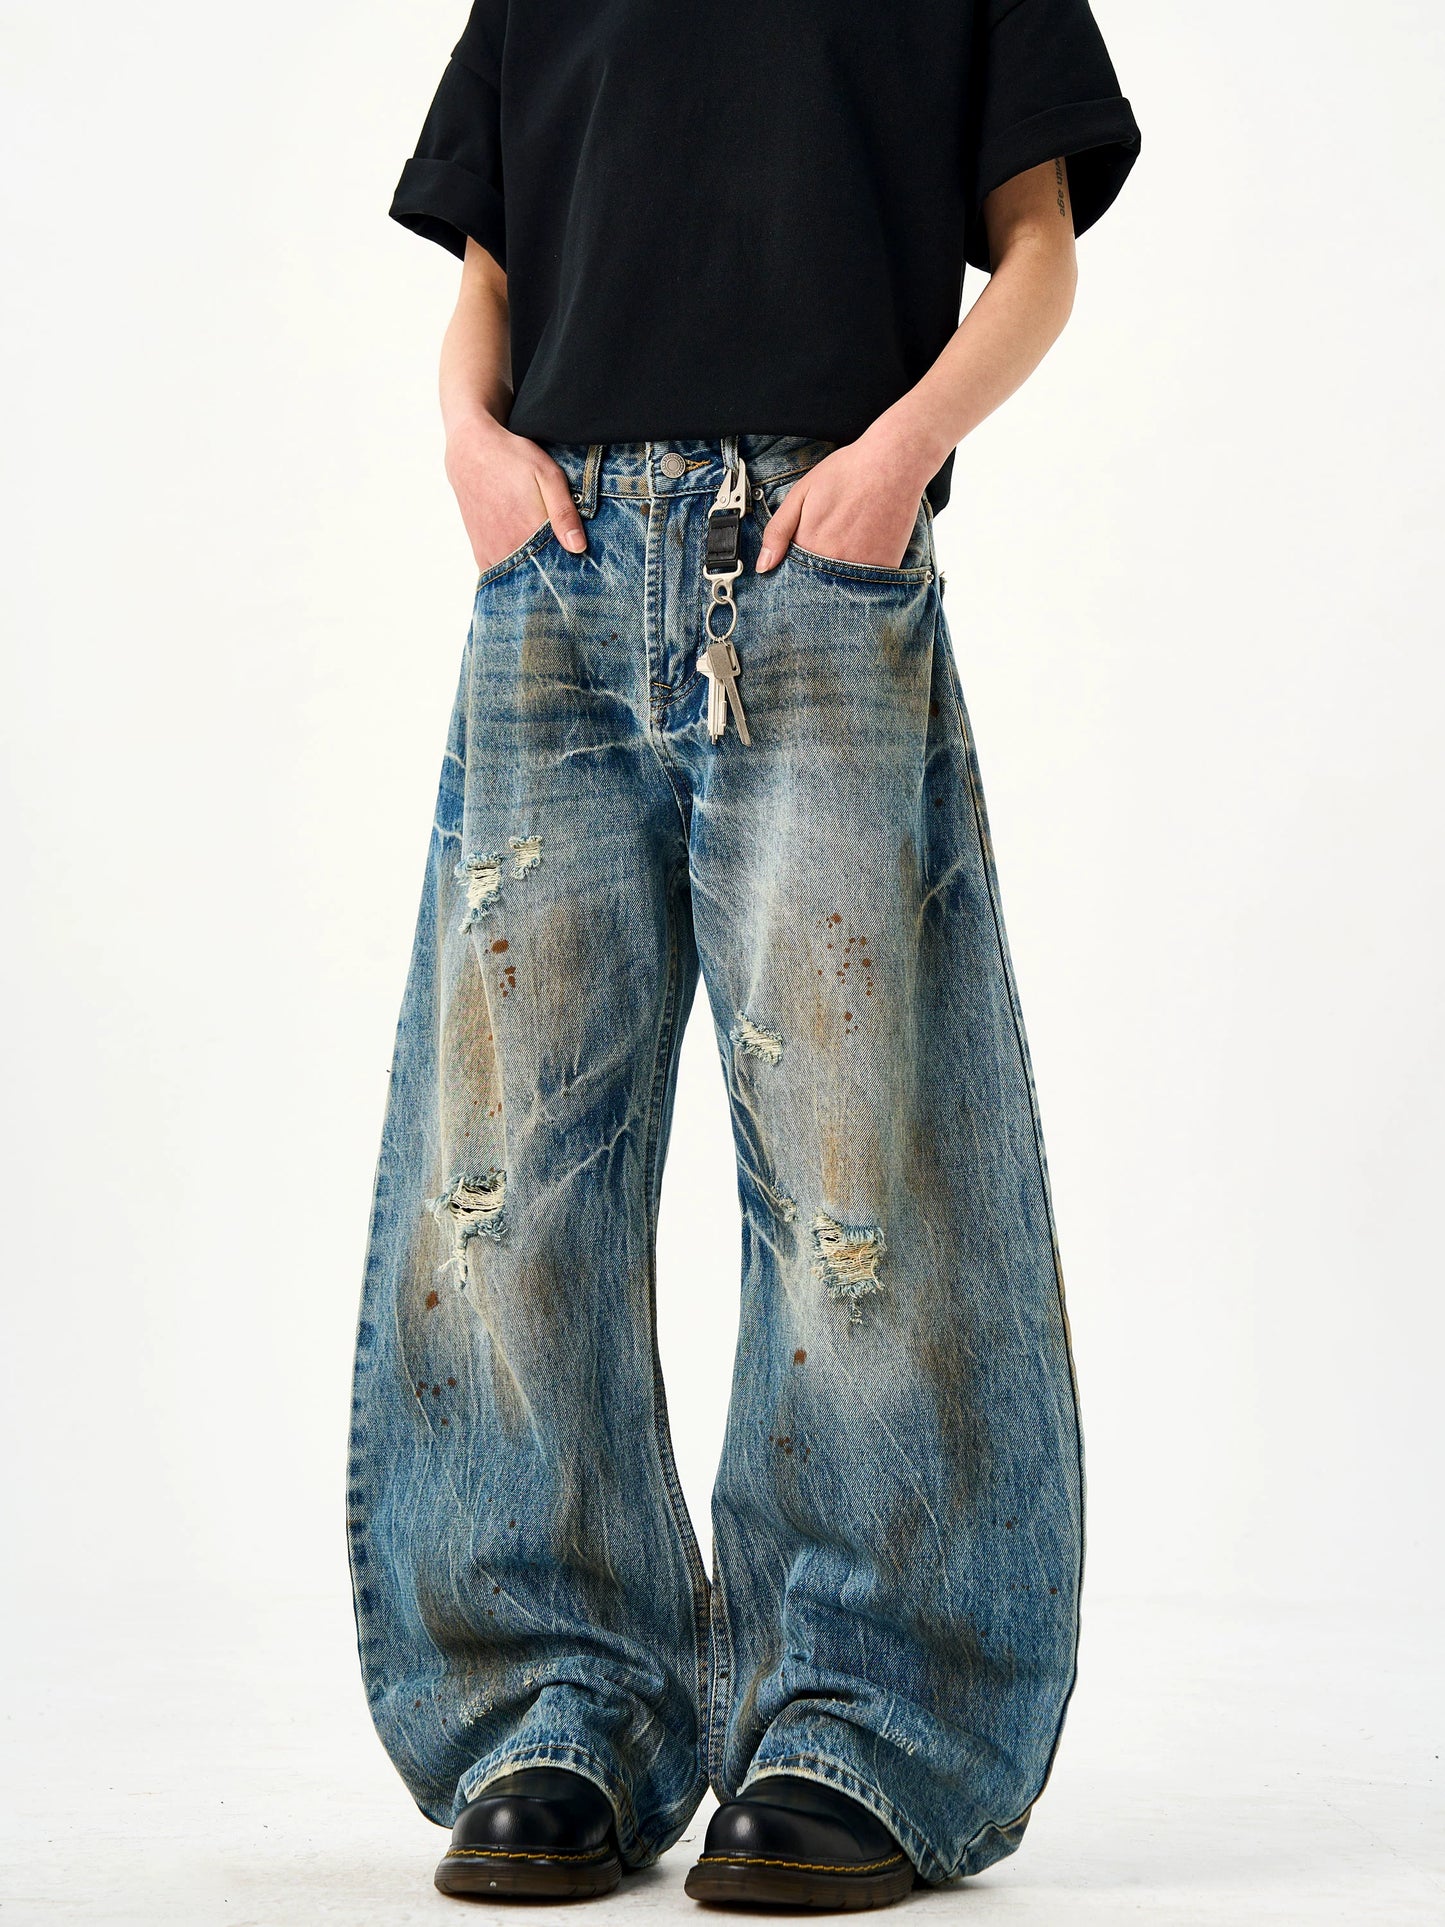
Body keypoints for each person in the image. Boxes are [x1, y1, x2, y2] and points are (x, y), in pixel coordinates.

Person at [346, 0, 1139, 1908]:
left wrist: (898, 458)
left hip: (816, 556)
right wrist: (466, 439)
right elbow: (491, 267)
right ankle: (557, 1703)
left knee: (859, 1174)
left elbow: (1036, 253)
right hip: (553, 565)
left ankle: (864, 1719)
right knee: (505, 1175)